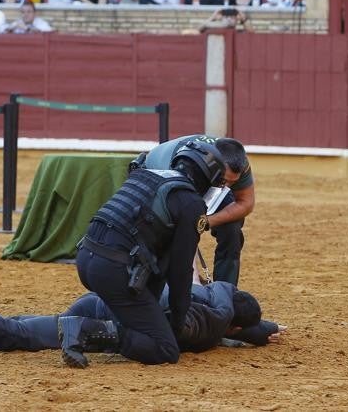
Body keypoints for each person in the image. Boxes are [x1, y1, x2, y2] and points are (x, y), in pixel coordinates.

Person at [57, 140, 230, 367]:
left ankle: (87, 327)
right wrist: (178, 324)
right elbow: (181, 271)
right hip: (113, 270)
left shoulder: (145, 175)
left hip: (86, 257)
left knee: (138, 319)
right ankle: (85, 329)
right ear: (206, 179)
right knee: (166, 348)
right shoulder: (191, 203)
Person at [0, 280, 283, 357]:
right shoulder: (214, 321)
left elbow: (224, 296)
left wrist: (260, 331)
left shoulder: (206, 298)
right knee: (21, 334)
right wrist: (259, 332)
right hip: (105, 317)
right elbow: (228, 317)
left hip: (101, 300)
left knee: (22, 329)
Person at [137, 135, 253, 285]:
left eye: (233, 182)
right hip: (161, 178)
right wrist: (194, 283)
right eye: (225, 181)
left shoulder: (240, 164)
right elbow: (182, 223)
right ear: (214, 165)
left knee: (232, 229)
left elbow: (246, 203)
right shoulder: (187, 164)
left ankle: (225, 289)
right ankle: (180, 283)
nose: (228, 187)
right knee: (174, 230)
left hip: (208, 180)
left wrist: (206, 221)